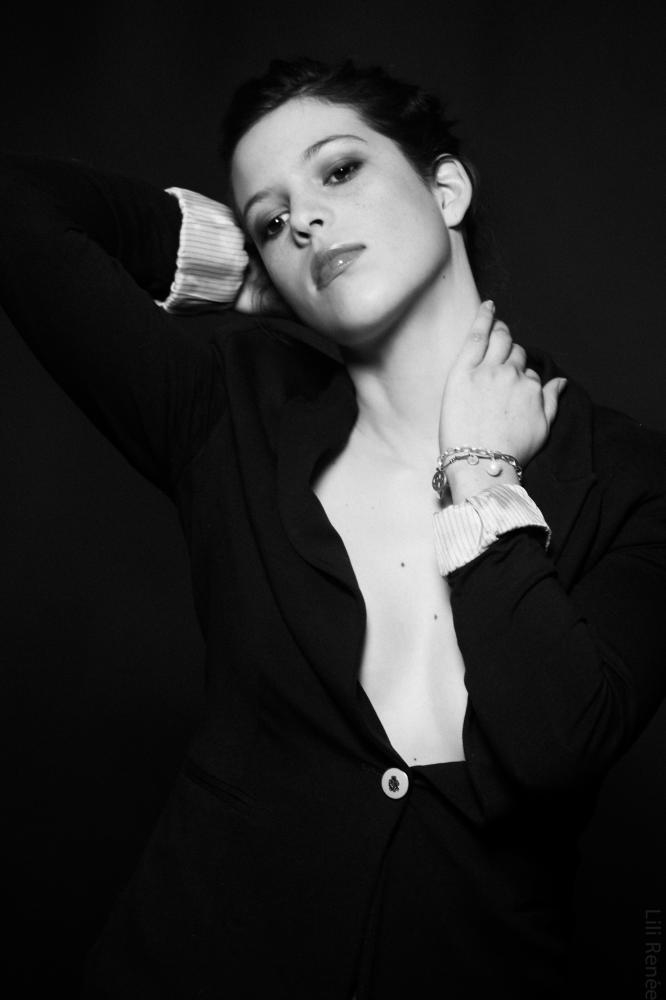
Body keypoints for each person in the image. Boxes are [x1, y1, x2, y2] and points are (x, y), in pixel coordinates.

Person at [1, 56, 665, 999]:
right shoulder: (228, 414)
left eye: (339, 170)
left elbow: (557, 744)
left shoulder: (636, 481)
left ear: (446, 189)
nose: (305, 219)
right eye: (272, 219)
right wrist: (235, 259)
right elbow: (19, 210)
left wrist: (480, 475)